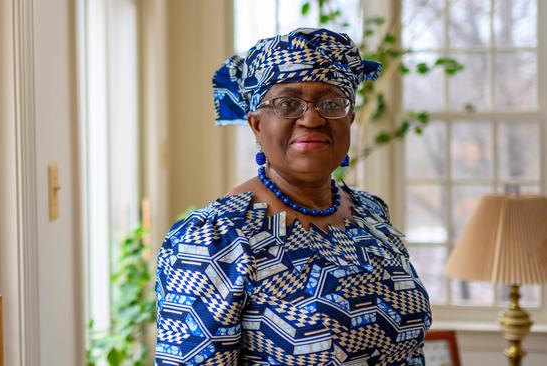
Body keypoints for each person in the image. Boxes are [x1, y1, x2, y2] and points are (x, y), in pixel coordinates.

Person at [154, 28, 431, 365]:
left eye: (331, 103)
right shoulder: (213, 239)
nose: (312, 118)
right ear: (257, 125)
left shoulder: (370, 213)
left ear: (350, 120)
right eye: (288, 103)